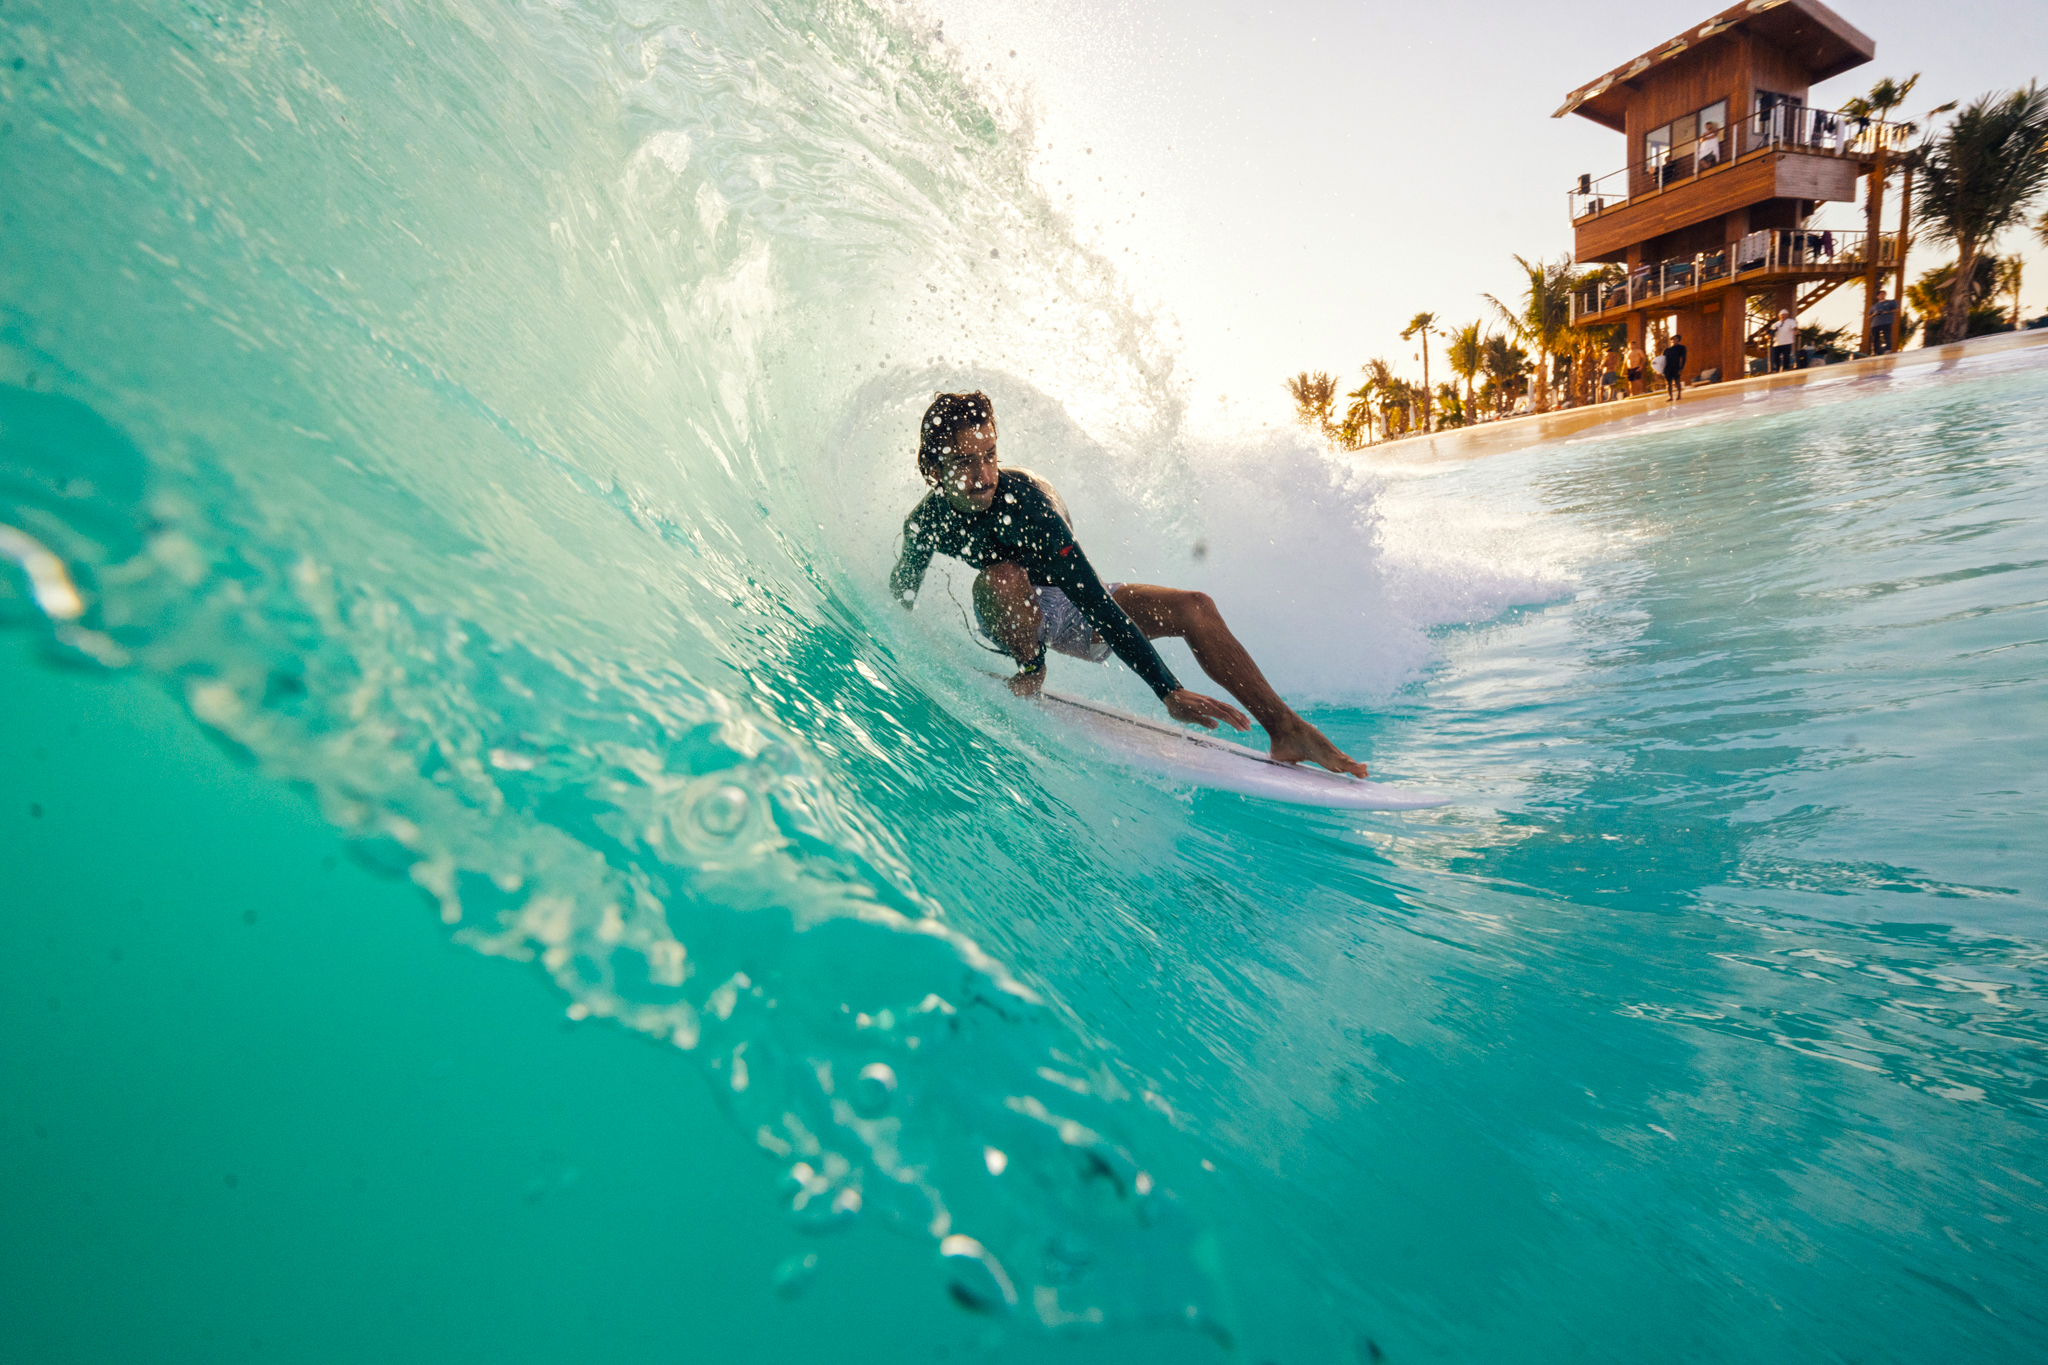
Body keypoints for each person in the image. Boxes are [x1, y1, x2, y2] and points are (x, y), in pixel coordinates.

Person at [889, 391, 1369, 777]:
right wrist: (898, 651)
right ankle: (1031, 670)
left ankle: (1285, 730)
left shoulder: (1029, 508)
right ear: (933, 472)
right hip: (1009, 603)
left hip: (1074, 599)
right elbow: (900, 595)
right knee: (1003, 577)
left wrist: (1168, 691)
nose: (982, 476)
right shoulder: (927, 522)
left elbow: (1095, 602)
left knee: (1195, 606)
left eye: (990, 455)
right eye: (964, 463)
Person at [1660, 334, 1687, 402]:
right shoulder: (1666, 350)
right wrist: (1662, 370)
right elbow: (1662, 360)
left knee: (1677, 381)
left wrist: (1681, 368)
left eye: (1676, 339)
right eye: (1672, 339)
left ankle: (1679, 395)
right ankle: (1670, 396)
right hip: (1667, 369)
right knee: (1669, 383)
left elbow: (1683, 358)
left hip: (1676, 367)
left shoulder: (1681, 348)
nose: (1674, 340)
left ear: (1678, 340)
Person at [1770, 308, 1798, 372]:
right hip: (1777, 343)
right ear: (1779, 316)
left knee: (1786, 356)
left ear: (1787, 315)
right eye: (1782, 315)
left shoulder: (1791, 321)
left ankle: (1786, 368)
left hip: (1787, 342)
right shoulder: (1775, 324)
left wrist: (1795, 331)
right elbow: (1771, 332)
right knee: (1775, 357)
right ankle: (1777, 369)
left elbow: (1794, 327)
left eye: (1784, 315)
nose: (1783, 316)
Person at [1872, 290, 1899, 354]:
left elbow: (1896, 309)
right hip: (1876, 324)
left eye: (1883, 294)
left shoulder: (1890, 302)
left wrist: (1886, 312)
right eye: (1880, 294)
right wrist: (1874, 314)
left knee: (1887, 336)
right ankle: (1876, 351)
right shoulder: (1874, 306)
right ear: (1877, 297)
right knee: (1876, 338)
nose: (1882, 295)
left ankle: (1887, 349)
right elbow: (1869, 315)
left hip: (1886, 322)